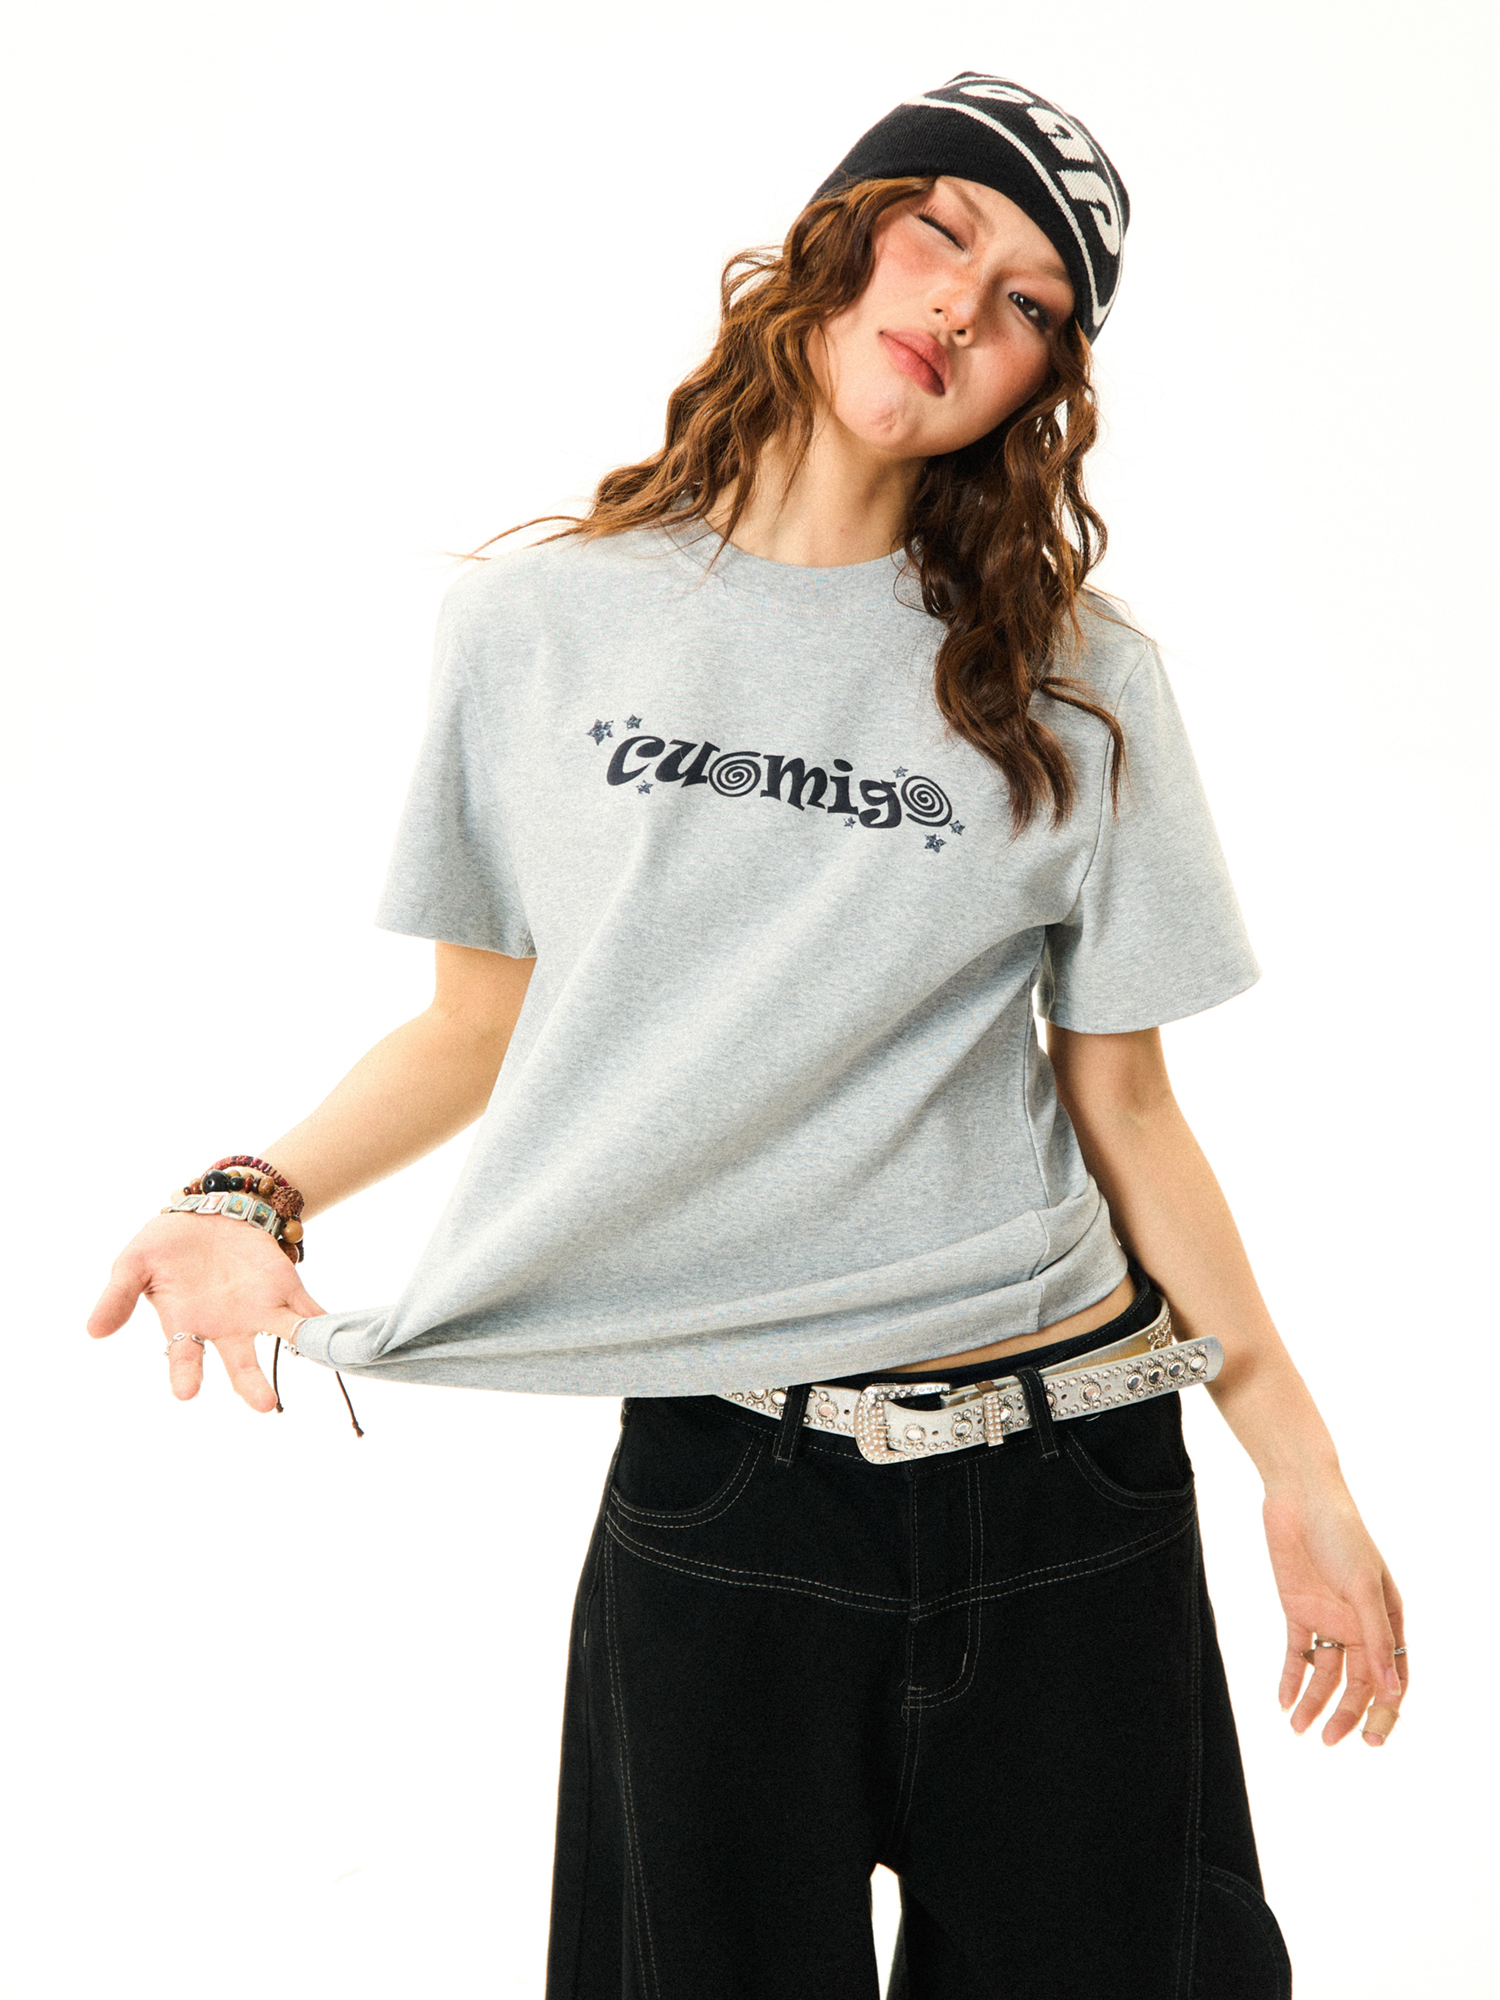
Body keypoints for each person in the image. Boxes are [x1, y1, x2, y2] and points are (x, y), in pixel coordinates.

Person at [90, 71, 1405, 2000]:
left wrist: (1304, 1472)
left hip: (1070, 1481)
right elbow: (478, 1027)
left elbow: (1126, 1104)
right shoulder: (538, 628)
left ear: (1041, 384)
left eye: (1030, 304)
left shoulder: (1079, 679)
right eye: (941, 228)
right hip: (728, 1483)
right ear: (835, 237)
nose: (962, 305)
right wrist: (245, 1192)